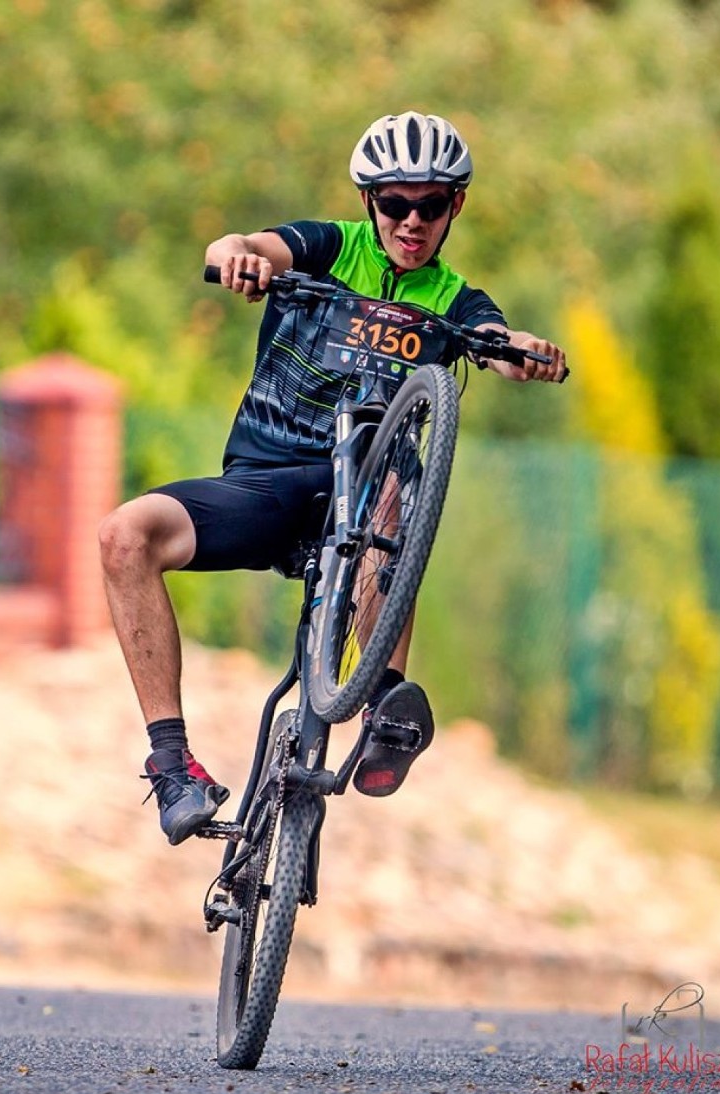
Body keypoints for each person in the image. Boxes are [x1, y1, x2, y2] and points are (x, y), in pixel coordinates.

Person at [99, 111, 567, 846]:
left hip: (372, 502)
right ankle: (171, 763)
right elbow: (241, 243)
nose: (412, 221)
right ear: (369, 202)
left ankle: (383, 701)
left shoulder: (453, 299)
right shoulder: (325, 247)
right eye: (394, 203)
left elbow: (498, 342)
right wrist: (243, 261)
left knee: (392, 487)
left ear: (457, 206)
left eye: (432, 204)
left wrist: (523, 353)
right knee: (124, 535)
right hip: (270, 485)